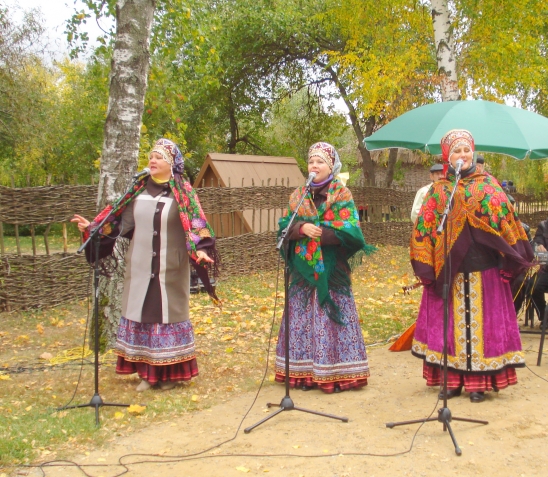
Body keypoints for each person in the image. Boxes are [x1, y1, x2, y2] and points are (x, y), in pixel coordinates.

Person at [71, 138, 218, 392]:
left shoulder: (183, 193)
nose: (152, 161)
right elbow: (120, 223)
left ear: (172, 164)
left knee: (165, 315)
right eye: (151, 156)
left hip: (169, 267)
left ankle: (170, 375)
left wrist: (202, 251)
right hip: (139, 266)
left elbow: (197, 224)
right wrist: (93, 228)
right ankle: (147, 374)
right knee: (142, 314)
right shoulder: (137, 190)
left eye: (159, 157)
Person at [410, 129, 533, 403]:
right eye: (457, 151)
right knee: (450, 327)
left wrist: (511, 257)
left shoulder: (488, 186)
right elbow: (425, 227)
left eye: (467, 150)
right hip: (450, 271)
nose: (463, 155)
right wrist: (426, 266)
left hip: (484, 270)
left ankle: (478, 382)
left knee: (482, 326)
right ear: (447, 156)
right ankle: (451, 382)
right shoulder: (439, 190)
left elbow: (507, 221)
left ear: (473, 154)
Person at [275, 142, 376, 393]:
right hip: (304, 272)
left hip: (332, 270)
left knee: (330, 320)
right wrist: (301, 229)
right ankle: (303, 373)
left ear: (331, 167)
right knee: (302, 319)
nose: (314, 166)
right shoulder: (299, 196)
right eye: (311, 162)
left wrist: (320, 234)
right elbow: (285, 227)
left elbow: (352, 230)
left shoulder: (341, 194)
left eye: (320, 162)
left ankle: (338, 372)